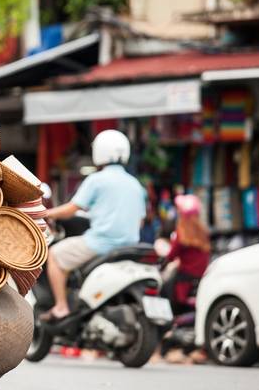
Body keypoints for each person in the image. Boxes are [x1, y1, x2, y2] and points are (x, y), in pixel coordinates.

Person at [41, 130, 146, 320]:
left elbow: (71, 210)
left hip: (102, 243)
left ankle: (61, 307)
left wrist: (46, 213)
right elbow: (140, 220)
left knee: (54, 255)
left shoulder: (96, 180)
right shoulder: (135, 184)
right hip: (130, 246)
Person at [162, 194, 210, 313]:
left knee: (164, 286)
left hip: (184, 280)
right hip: (201, 276)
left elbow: (171, 255)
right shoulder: (203, 232)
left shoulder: (182, 233)